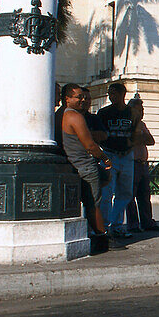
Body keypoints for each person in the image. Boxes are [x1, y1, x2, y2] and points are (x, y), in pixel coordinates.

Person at [58, 83, 124, 253]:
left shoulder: (58, 115)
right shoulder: (75, 116)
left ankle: (90, 233)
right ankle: (101, 237)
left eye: (83, 96)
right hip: (85, 165)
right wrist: (106, 159)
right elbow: (90, 145)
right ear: (66, 98)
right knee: (93, 204)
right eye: (77, 97)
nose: (82, 99)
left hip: (70, 165)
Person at [97, 82, 137, 237]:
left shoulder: (131, 113)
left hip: (127, 155)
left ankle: (117, 225)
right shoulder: (104, 113)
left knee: (124, 193)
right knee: (106, 193)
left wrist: (131, 147)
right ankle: (104, 226)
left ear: (122, 94)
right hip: (109, 154)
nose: (111, 96)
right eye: (109, 93)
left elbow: (135, 132)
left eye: (114, 93)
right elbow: (99, 133)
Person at [125, 95, 159, 232]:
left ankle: (147, 222)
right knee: (130, 196)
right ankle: (133, 224)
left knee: (145, 195)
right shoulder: (127, 124)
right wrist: (139, 137)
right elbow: (131, 141)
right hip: (131, 163)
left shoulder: (142, 125)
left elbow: (151, 140)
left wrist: (140, 136)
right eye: (139, 110)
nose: (142, 113)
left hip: (142, 163)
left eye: (142, 110)